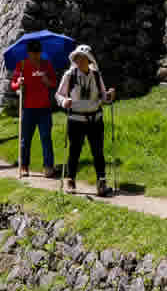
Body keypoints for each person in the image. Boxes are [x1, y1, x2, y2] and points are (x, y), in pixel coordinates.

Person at [55, 44, 115, 197]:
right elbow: (58, 95)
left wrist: (108, 95)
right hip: (76, 119)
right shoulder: (70, 75)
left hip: (95, 119)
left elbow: (103, 97)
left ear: (89, 60)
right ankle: (70, 180)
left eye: (83, 58)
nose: (79, 61)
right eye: (77, 58)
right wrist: (64, 102)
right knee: (74, 150)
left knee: (98, 151)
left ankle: (101, 182)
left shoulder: (96, 75)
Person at [9, 39, 59, 179]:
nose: (36, 56)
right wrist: (19, 82)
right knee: (25, 139)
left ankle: (48, 167)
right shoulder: (22, 65)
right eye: (33, 53)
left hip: (44, 108)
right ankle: (24, 166)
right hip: (28, 108)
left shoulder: (46, 65)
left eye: (38, 53)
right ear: (28, 53)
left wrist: (46, 80)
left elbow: (54, 83)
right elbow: (13, 84)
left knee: (46, 138)